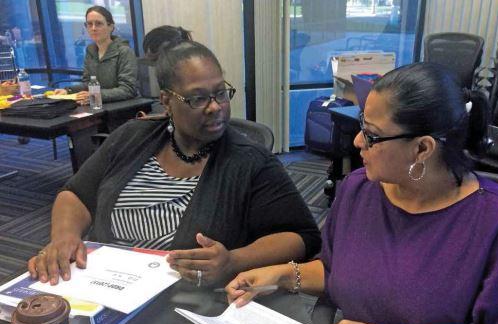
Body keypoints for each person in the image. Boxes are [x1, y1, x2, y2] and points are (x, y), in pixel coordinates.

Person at [226, 63, 498, 324]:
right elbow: (338, 271)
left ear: (423, 149)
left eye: (371, 134)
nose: (356, 141)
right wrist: (281, 275)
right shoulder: (358, 190)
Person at [29, 40, 321, 289]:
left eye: (220, 93)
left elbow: (302, 237)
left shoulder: (250, 161)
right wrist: (64, 237)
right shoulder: (132, 137)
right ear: (167, 101)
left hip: (182, 304)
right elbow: (76, 194)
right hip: (104, 284)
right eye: (198, 98)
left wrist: (233, 261)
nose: (216, 106)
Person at [55, 6, 137, 104]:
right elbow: (88, 83)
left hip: (122, 108)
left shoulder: (124, 51)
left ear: (110, 27)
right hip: (97, 105)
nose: (93, 28)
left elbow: (128, 89)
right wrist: (68, 90)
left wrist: (97, 95)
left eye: (98, 24)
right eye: (89, 24)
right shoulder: (90, 50)